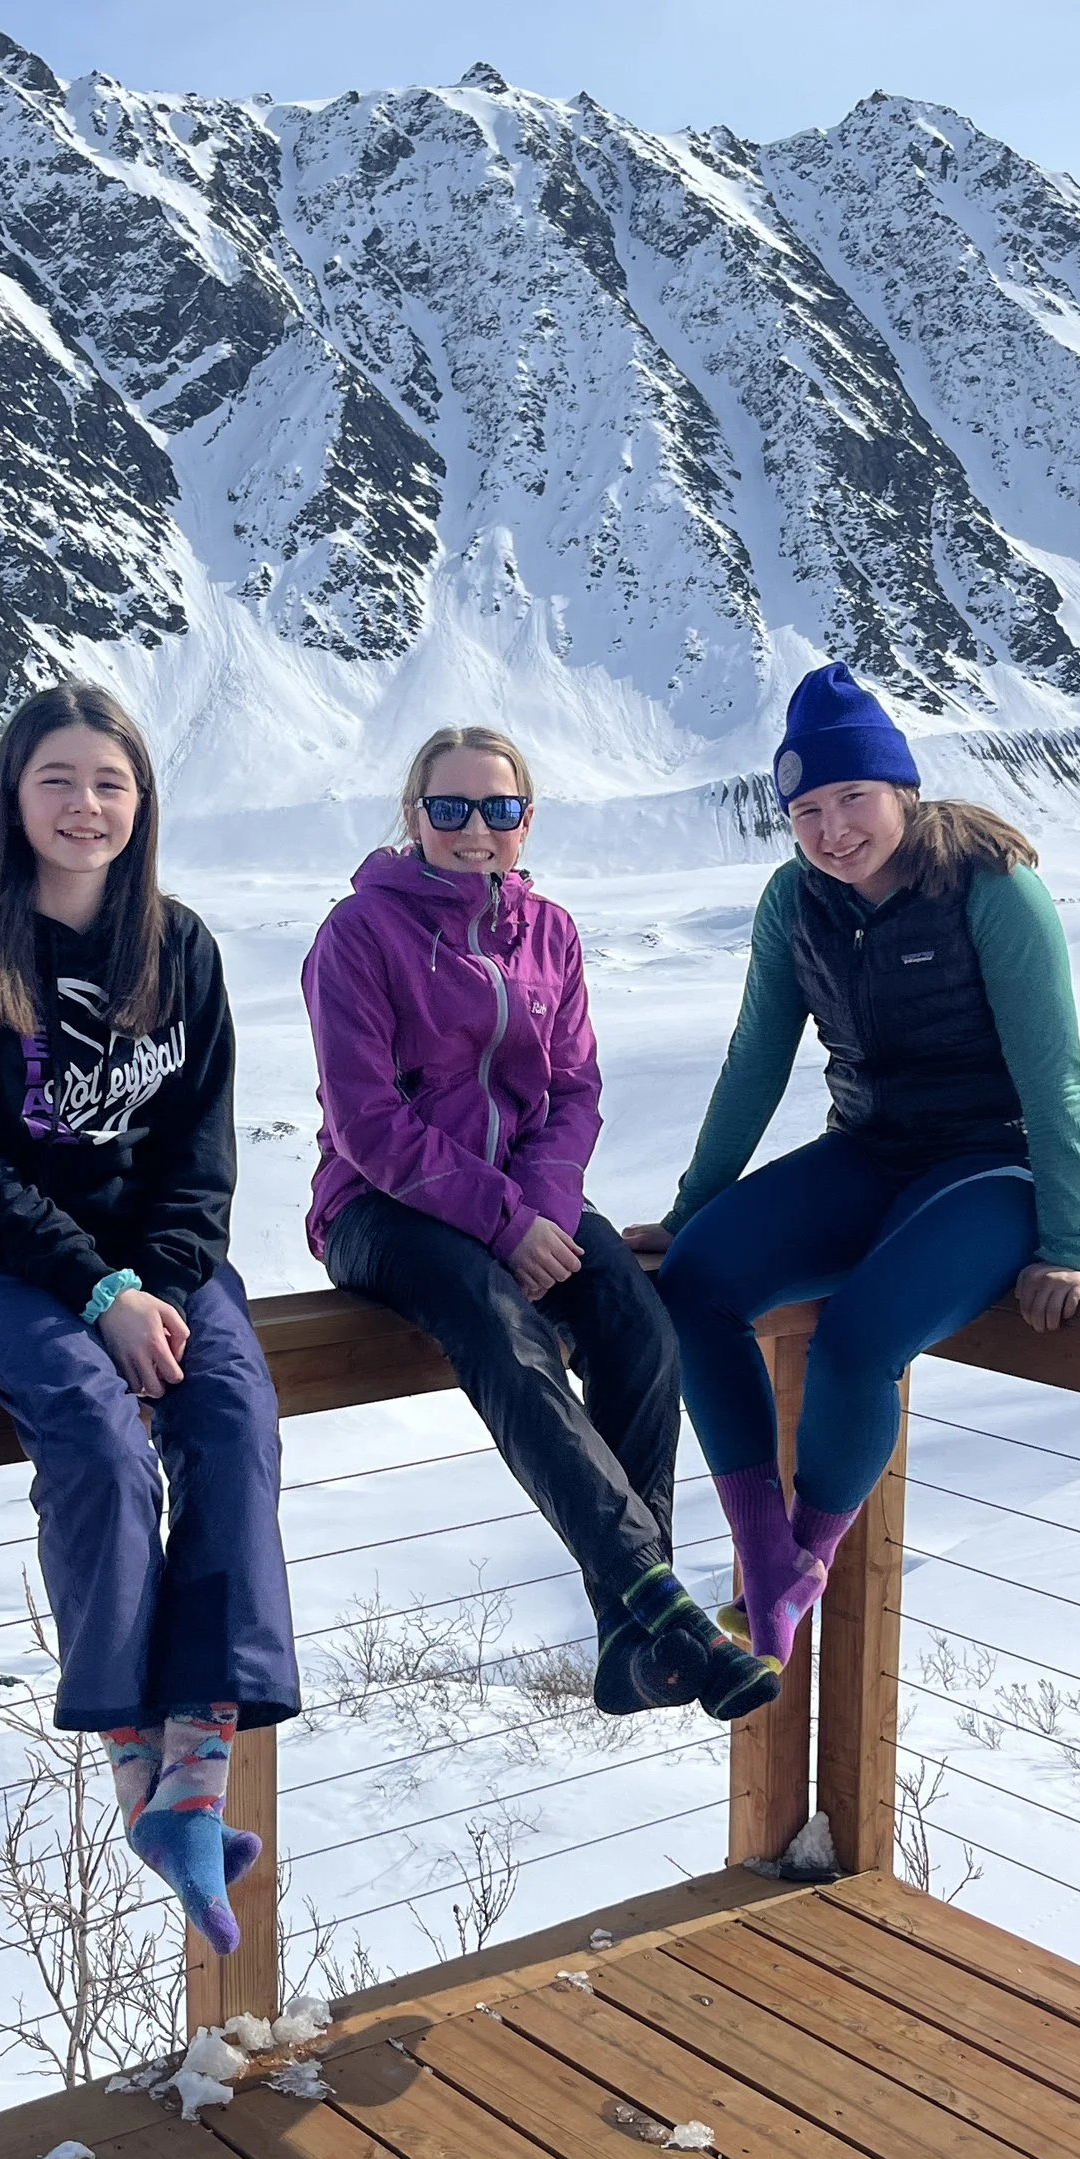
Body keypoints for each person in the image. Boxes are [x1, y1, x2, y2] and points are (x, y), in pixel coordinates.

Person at [0, 681, 294, 1957]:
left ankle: (200, 1781)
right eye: (59, 780)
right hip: (1, 1266)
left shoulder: (179, 949)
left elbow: (199, 1154)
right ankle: (140, 1769)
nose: (86, 806)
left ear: (143, 804)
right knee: (91, 1429)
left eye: (110, 783)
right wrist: (102, 1294)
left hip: (161, 1268)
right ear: (13, 798)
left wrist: (161, 1289)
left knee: (231, 1420)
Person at [302, 726, 778, 1721]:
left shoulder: (548, 931)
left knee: (639, 1327)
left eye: (498, 810)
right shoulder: (358, 934)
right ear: (413, 816)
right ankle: (664, 1609)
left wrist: (543, 1213)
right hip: (380, 1208)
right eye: (450, 809)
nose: (475, 830)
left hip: (525, 1204)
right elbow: (366, 1121)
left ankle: (625, 1639)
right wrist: (504, 1223)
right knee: (497, 1326)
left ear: (527, 821)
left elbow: (571, 1093)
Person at [633, 663, 1080, 1670]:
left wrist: (1067, 1242)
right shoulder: (794, 900)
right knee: (695, 1283)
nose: (833, 830)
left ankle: (808, 1554)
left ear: (901, 790)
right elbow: (757, 1056)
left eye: (852, 798)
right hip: (867, 1152)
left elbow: (1051, 1072)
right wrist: (692, 1210)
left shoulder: (991, 885)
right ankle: (764, 1553)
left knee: (853, 1342)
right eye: (806, 810)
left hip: (986, 1173)